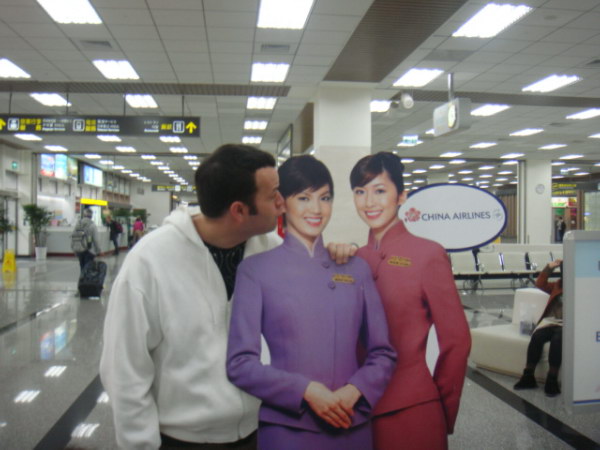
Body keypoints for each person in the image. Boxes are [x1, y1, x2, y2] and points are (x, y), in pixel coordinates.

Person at [100, 144, 356, 450]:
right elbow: (124, 370)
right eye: (273, 195)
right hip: (183, 440)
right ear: (239, 211)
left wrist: (341, 258)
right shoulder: (150, 262)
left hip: (260, 431)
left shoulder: (272, 249)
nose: (282, 201)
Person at [226, 155, 396, 450]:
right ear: (281, 203)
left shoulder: (356, 268)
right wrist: (306, 390)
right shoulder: (255, 271)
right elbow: (240, 364)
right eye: (303, 198)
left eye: (324, 198)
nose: (316, 209)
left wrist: (355, 390)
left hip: (350, 422)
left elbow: (383, 353)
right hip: (287, 428)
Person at [349, 152, 471, 450]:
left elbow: (457, 342)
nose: (369, 202)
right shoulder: (354, 259)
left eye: (380, 191)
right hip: (356, 410)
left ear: (401, 196)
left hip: (412, 408)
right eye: (360, 192)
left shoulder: (427, 254)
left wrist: (442, 407)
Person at [513, 259, 563, 397]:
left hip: (568, 324)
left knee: (557, 339)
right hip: (551, 322)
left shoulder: (580, 287)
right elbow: (540, 284)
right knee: (537, 336)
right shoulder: (558, 285)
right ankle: (528, 376)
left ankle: (552, 379)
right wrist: (549, 268)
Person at [73, 207, 101, 271]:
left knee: (82, 267)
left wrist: (75, 249)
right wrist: (98, 250)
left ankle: (82, 276)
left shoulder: (78, 224)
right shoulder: (92, 225)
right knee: (88, 268)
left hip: (79, 249)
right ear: (91, 216)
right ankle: (86, 277)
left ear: (84, 215)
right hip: (89, 250)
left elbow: (74, 236)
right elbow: (96, 240)